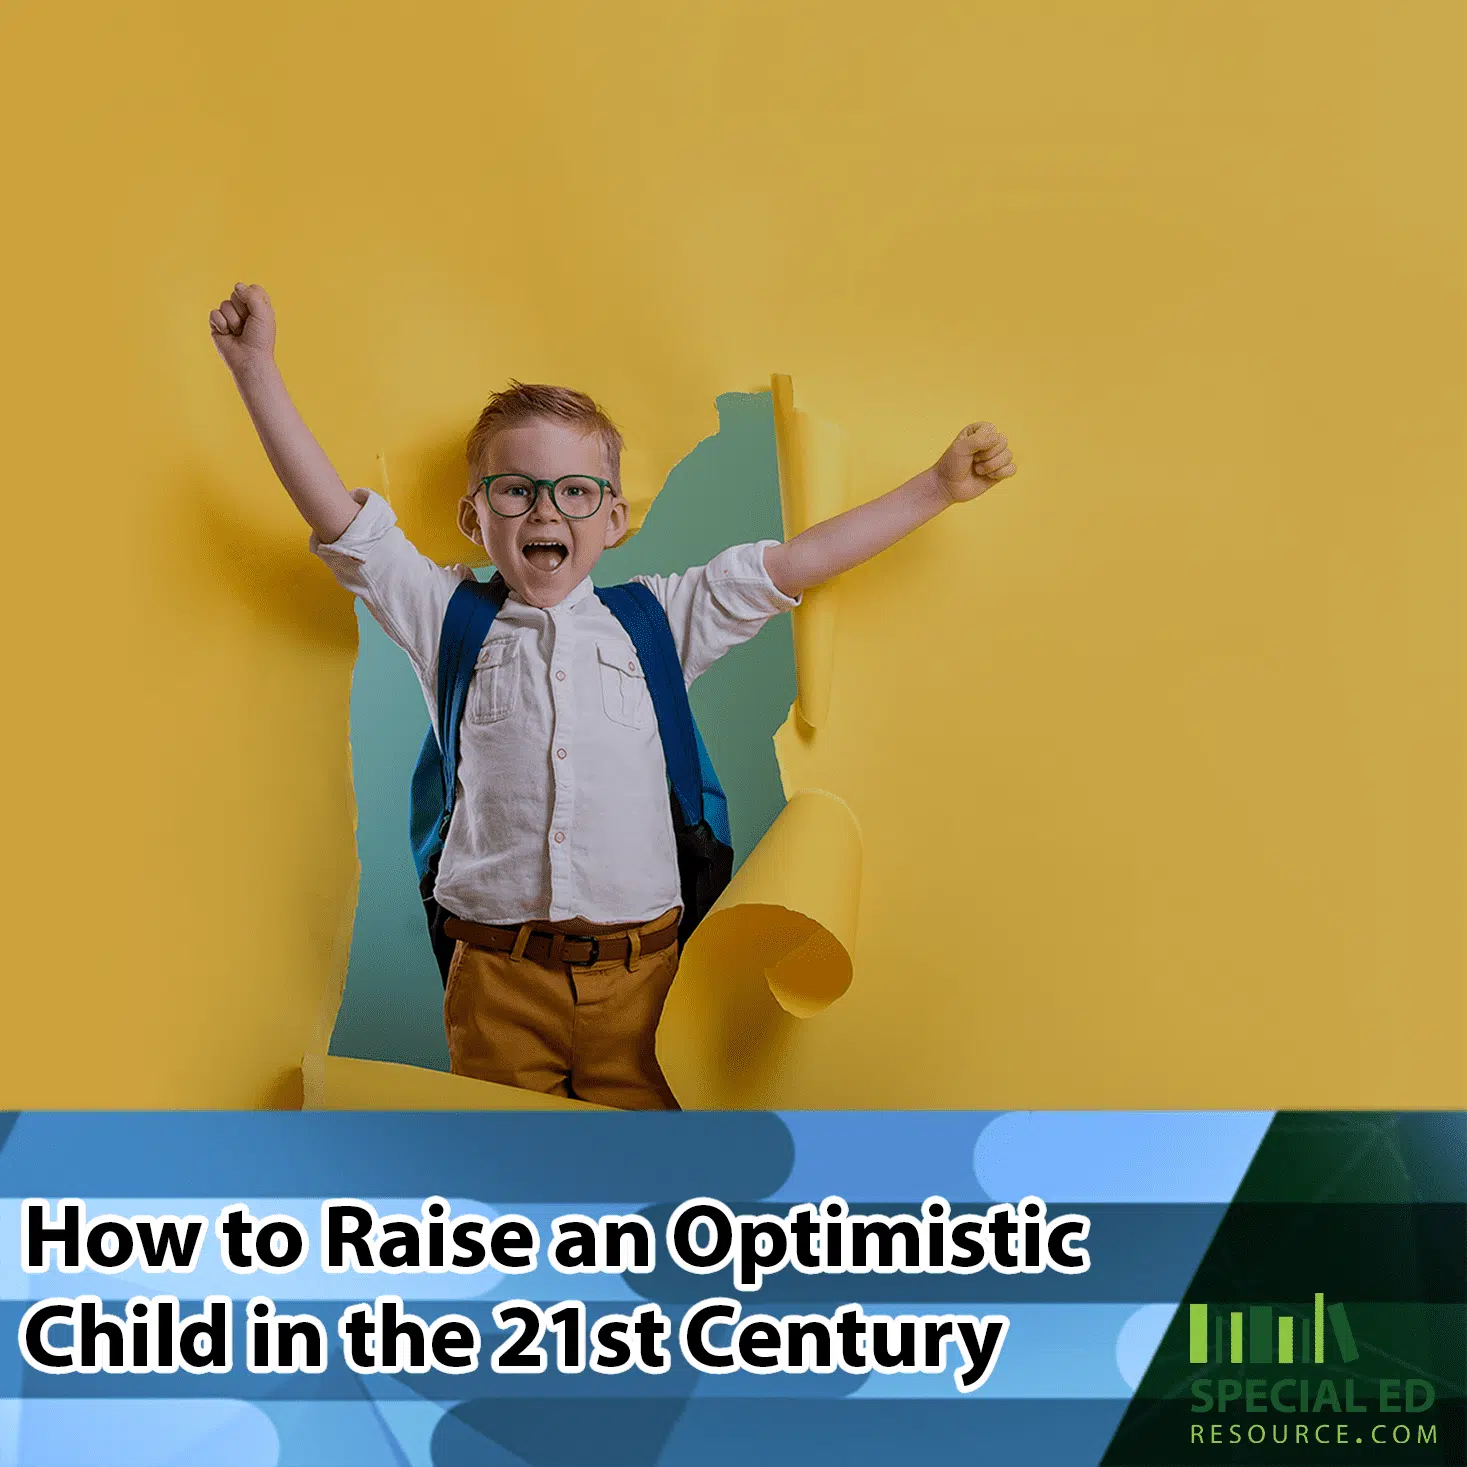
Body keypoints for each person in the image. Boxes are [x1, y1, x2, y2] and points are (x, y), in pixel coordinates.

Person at [209, 281, 1018, 1110]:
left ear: (614, 518)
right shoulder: (444, 616)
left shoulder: (659, 621)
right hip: (496, 976)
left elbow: (798, 563)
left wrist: (935, 487)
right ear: (472, 516)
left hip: (648, 980)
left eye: (574, 491)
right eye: (515, 489)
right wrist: (255, 371)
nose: (544, 508)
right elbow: (346, 527)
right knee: (511, 1201)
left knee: (638, 1196)